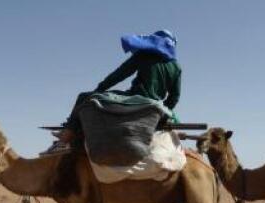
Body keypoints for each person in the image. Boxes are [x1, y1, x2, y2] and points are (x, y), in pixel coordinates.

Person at [41, 30, 182, 156]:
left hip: (136, 99)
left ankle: (64, 140)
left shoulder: (145, 55)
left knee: (83, 97)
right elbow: (174, 97)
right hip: (155, 105)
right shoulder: (176, 66)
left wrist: (99, 89)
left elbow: (119, 75)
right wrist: (161, 110)